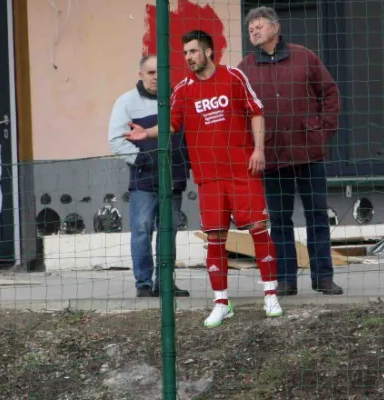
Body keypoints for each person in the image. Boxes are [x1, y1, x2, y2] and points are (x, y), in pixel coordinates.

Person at [124, 31, 283, 327]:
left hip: (241, 171)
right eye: (186, 53)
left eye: (194, 51)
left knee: (259, 230)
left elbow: (257, 112)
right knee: (215, 238)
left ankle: (270, 295)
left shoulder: (233, 77)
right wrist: (145, 133)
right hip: (208, 178)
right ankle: (221, 302)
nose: (189, 58)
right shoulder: (183, 90)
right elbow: (171, 123)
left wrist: (258, 150)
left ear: (209, 52)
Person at [238, 6, 343, 296]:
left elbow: (330, 93)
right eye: (250, 29)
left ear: (275, 27)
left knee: (317, 216)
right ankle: (285, 279)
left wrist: (321, 132)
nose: (254, 31)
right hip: (271, 157)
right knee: (280, 221)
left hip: (309, 153)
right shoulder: (245, 68)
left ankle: (323, 277)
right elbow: (238, 112)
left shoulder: (304, 56)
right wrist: (252, 148)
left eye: (258, 26)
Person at [109, 54, 191, 298]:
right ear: (141, 74)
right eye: (151, 72)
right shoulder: (126, 102)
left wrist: (186, 163)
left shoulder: (178, 98)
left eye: (160, 72)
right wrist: (144, 161)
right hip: (144, 180)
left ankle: (165, 282)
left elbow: (190, 135)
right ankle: (143, 283)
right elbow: (116, 141)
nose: (156, 77)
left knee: (169, 231)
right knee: (142, 230)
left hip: (174, 178)